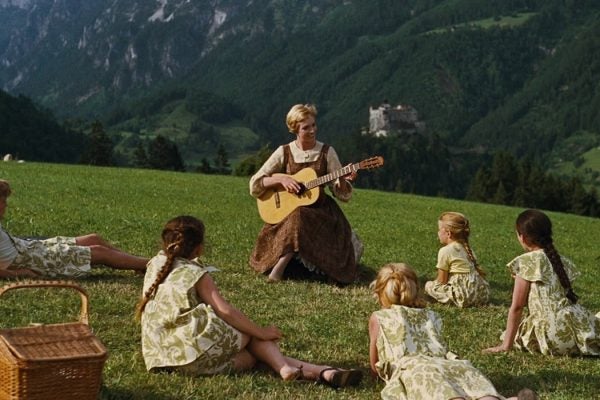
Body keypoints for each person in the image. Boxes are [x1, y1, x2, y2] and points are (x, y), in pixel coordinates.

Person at [137, 215, 363, 387]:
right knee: (250, 334)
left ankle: (321, 372)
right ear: (198, 247)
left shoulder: (155, 265)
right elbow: (225, 311)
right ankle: (299, 369)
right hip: (192, 352)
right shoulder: (196, 273)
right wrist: (261, 331)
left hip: (163, 356)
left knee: (250, 357)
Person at [369, 262, 534, 400]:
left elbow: (374, 361)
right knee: (475, 388)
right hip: (448, 363)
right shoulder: (431, 315)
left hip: (414, 368)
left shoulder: (379, 318)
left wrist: (377, 376)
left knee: (442, 392)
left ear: (380, 292)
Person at [248, 103, 362, 283]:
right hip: (287, 212)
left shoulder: (327, 152)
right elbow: (255, 184)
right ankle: (282, 265)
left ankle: (280, 269)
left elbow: (341, 193)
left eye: (313, 125)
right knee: (297, 214)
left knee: (299, 215)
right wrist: (282, 179)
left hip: (321, 213)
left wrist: (342, 179)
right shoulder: (284, 152)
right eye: (305, 127)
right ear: (295, 129)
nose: (312, 130)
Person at [483, 209, 600, 356]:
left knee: (512, 334)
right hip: (575, 327)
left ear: (523, 237)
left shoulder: (526, 262)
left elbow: (518, 307)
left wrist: (506, 345)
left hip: (551, 336)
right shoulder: (561, 261)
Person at [0, 179, 148, 278]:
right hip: (30, 260)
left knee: (93, 238)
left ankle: (136, 264)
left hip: (26, 247)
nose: (6, 205)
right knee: (100, 252)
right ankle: (153, 264)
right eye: (3, 201)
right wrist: (18, 274)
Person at [424, 211, 489, 307]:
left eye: (439, 230)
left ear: (448, 233)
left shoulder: (445, 251)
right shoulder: (467, 249)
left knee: (429, 285)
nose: (437, 233)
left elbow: (442, 281)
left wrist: (432, 284)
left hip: (463, 296)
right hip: (481, 295)